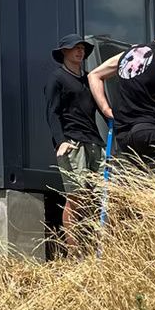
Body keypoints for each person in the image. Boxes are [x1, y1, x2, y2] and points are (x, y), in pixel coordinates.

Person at [88, 23, 155, 162]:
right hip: (152, 130)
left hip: (124, 134)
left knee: (136, 181)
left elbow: (94, 75)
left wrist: (106, 109)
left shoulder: (129, 54)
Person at [43, 33, 101, 249]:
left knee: (96, 196)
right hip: (72, 142)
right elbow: (51, 112)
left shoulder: (88, 79)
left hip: (94, 141)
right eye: (74, 48)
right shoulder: (57, 78)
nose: (80, 51)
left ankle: (93, 246)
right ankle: (74, 251)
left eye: (82, 48)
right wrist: (61, 141)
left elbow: (100, 106)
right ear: (64, 52)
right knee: (76, 197)